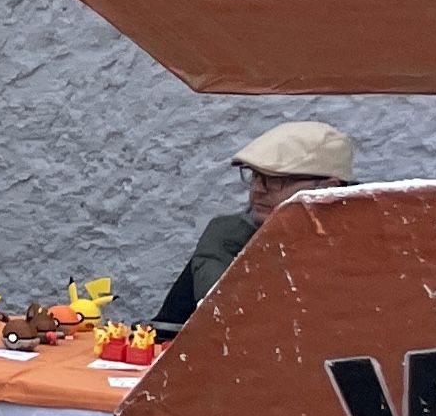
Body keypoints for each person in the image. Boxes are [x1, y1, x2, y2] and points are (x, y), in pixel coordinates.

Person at [152, 118, 355, 332]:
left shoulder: (366, 246)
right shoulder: (227, 238)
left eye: (276, 180)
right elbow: (165, 332)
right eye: (256, 175)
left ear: (327, 188)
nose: (258, 189)